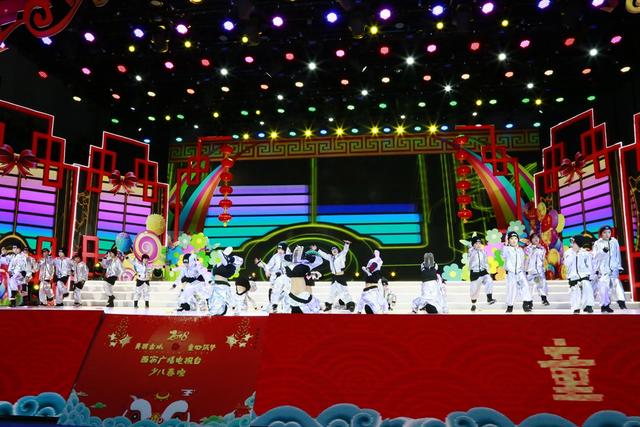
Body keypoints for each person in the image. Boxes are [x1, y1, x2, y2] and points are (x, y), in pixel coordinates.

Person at [315, 240, 355, 312]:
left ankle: (350, 305)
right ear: (331, 252)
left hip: (341, 277)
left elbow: (345, 250)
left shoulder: (341, 255)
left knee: (344, 292)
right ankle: (328, 306)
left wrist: (347, 244)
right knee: (332, 292)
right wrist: (317, 249)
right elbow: (324, 254)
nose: (334, 251)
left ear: (337, 250)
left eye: (335, 249)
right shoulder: (330, 257)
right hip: (334, 277)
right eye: (333, 250)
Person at [592, 225, 626, 311]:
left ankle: (621, 302)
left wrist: (619, 266)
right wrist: (603, 251)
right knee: (604, 288)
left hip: (613, 268)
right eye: (605, 232)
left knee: (617, 284)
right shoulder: (597, 243)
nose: (607, 234)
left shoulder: (614, 242)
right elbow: (595, 257)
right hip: (603, 269)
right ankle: (605, 306)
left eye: (609, 232)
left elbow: (617, 255)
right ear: (601, 234)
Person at [284, 245, 323, 314]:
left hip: (302, 299)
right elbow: (284, 258)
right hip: (292, 299)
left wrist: (306, 256)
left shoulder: (307, 264)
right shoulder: (290, 260)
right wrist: (290, 256)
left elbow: (319, 261)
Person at [502, 231, 533, 313]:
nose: (514, 240)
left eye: (515, 238)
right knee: (512, 290)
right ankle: (510, 306)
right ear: (508, 240)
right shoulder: (507, 249)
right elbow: (503, 255)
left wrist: (528, 244)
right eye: (511, 238)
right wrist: (505, 244)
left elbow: (529, 253)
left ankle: (526, 303)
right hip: (511, 273)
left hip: (520, 272)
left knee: (525, 286)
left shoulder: (520, 250)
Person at [255, 241, 290, 313]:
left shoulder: (289, 256)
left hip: (286, 278)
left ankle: (283, 308)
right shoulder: (275, 256)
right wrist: (266, 270)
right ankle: (274, 307)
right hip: (275, 278)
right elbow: (269, 266)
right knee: (274, 292)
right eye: (278, 249)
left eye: (281, 249)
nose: (279, 251)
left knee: (285, 293)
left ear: (285, 249)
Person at [564, 235, 595, 314]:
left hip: (584, 275)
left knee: (587, 287)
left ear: (578, 243)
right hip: (573, 276)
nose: (572, 244)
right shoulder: (568, 253)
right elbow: (566, 264)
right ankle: (576, 308)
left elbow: (589, 265)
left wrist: (591, 275)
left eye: (573, 242)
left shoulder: (585, 253)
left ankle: (588, 306)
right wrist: (574, 254)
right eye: (571, 242)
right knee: (575, 291)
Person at [209, 247, 243, 315]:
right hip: (218, 284)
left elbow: (239, 261)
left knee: (221, 300)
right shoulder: (219, 264)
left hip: (222, 283)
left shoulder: (231, 262)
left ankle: (236, 310)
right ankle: (236, 310)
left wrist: (229, 259)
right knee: (226, 299)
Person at [467, 235, 497, 312]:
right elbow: (470, 257)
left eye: (479, 243)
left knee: (489, 280)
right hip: (475, 272)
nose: (478, 245)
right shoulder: (471, 251)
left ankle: (489, 298)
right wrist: (472, 249)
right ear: (473, 244)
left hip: (483, 271)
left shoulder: (483, 251)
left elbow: (486, 261)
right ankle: (473, 304)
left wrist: (488, 270)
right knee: (474, 291)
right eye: (476, 243)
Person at [356, 249, 387, 314]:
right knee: (377, 264)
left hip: (368, 287)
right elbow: (384, 303)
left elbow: (361, 303)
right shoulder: (374, 303)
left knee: (374, 265)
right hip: (373, 287)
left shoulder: (365, 297)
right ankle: (371, 267)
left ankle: (369, 269)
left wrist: (359, 311)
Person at [525, 233, 550, 306]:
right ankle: (529, 302)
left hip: (539, 271)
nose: (536, 239)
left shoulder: (542, 249)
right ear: (531, 239)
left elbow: (542, 259)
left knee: (541, 285)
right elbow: (527, 259)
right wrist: (525, 270)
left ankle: (544, 299)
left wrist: (543, 267)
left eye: (537, 238)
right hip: (530, 271)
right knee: (530, 287)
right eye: (534, 238)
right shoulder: (527, 249)